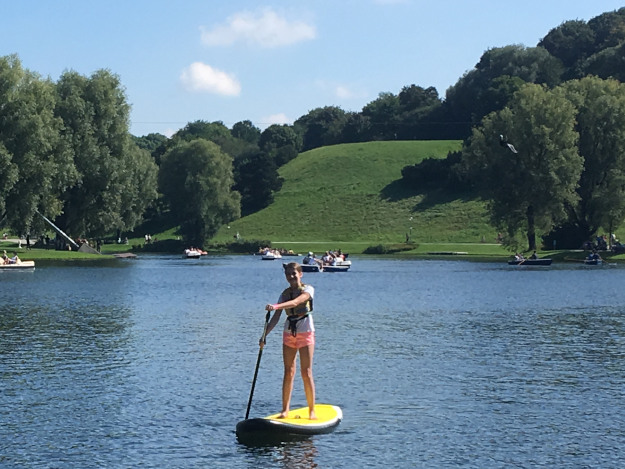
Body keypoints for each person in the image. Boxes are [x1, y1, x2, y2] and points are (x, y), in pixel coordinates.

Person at [261, 262, 317, 420]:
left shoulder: (308, 289)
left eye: (294, 273)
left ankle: (311, 411)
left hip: (305, 330)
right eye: (288, 274)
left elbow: (296, 302)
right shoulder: (284, 294)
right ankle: (285, 410)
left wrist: (276, 305)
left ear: (300, 274)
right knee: (288, 372)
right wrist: (264, 336)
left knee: (306, 372)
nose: (291, 277)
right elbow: (276, 318)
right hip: (289, 332)